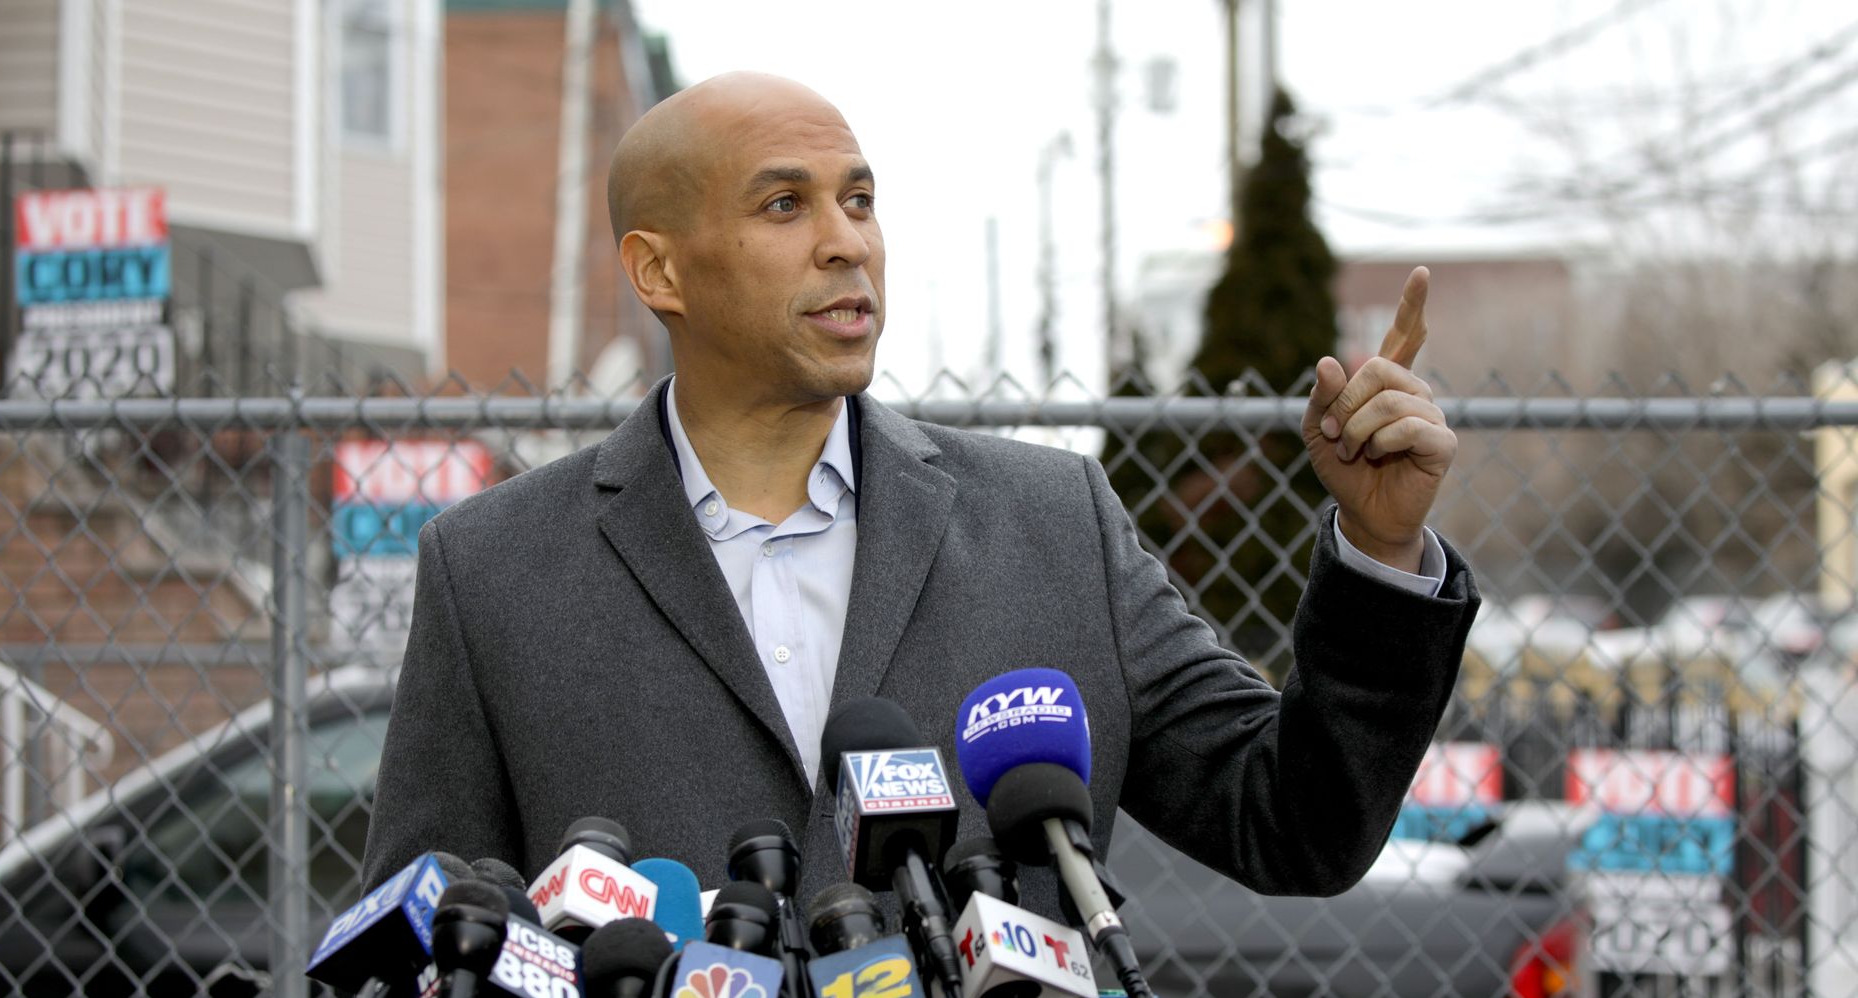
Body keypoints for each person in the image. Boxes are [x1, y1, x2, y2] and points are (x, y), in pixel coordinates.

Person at [361, 73, 1479, 915]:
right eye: (785, 205)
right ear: (660, 271)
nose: (848, 243)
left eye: (859, 200)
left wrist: (1381, 554)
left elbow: (1296, 825)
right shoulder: (495, 570)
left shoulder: (1055, 526)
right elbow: (412, 962)